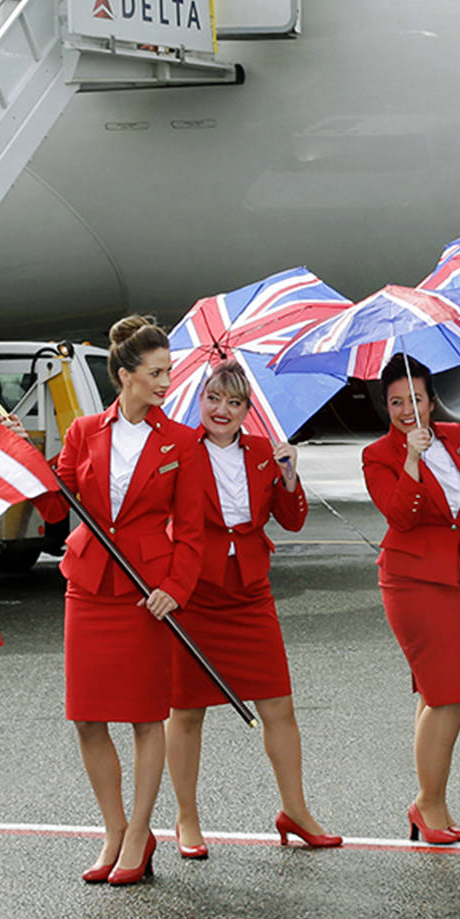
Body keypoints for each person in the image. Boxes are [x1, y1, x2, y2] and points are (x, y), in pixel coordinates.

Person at [36, 315, 212, 888]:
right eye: (156, 372)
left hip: (147, 595)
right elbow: (53, 508)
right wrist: (23, 457)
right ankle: (112, 828)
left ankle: (140, 831)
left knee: (143, 717)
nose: (167, 381)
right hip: (87, 588)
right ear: (125, 375)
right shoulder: (84, 431)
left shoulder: (182, 442)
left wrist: (175, 590)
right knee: (87, 717)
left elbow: (192, 532)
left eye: (169, 370)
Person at [165, 360, 339, 859]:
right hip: (194, 590)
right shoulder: (179, 449)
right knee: (187, 710)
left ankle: (295, 810)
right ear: (200, 401)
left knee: (279, 706)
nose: (222, 410)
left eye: (234, 402)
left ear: (247, 409)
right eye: (214, 398)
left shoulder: (265, 452)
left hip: (249, 590)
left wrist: (289, 478)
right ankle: (186, 816)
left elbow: (292, 520)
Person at [361, 354, 460, 845]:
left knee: (445, 693)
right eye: (397, 402)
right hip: (413, 583)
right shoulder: (378, 456)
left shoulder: (455, 437)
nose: (408, 410)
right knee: (447, 693)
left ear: (431, 400)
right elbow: (401, 515)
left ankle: (431, 800)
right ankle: (428, 804)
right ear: (386, 406)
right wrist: (409, 458)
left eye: (416, 399)